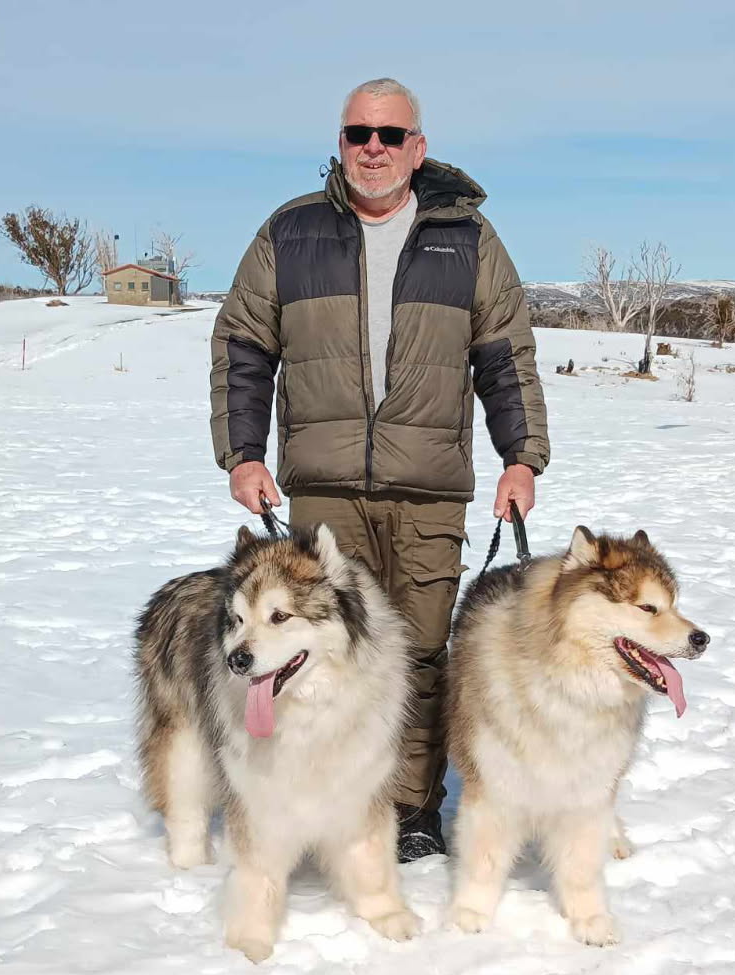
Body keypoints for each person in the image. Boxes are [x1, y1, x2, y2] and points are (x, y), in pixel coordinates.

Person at [209, 77, 549, 861]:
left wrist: (521, 458)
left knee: (424, 651)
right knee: (326, 653)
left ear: (417, 148)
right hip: (323, 490)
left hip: (429, 489)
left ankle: (412, 807)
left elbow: (506, 359)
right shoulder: (288, 234)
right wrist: (245, 452)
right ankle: (335, 798)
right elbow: (244, 347)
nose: (373, 147)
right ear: (340, 142)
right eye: (358, 132)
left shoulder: (468, 240)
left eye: (390, 135)